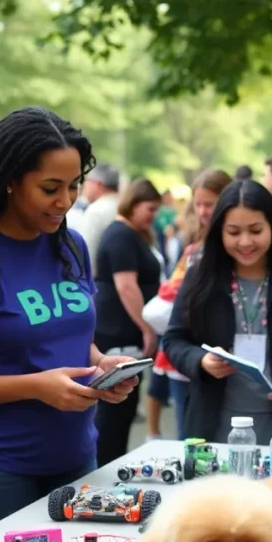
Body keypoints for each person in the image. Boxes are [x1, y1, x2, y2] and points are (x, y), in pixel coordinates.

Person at [0, 107, 139, 542]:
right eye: (50, 188)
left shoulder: (71, 247)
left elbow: (71, 339)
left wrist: (101, 366)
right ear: (10, 181)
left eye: (73, 186)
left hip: (76, 455)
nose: (66, 201)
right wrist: (36, 386)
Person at [162, 180, 272, 445]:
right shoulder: (200, 274)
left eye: (256, 230)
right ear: (219, 232)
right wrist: (201, 361)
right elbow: (173, 339)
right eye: (233, 232)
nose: (245, 242)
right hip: (214, 428)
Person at [146, 169, 233, 440]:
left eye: (211, 203)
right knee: (193, 443)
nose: (204, 211)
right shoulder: (194, 250)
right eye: (199, 204)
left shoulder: (239, 252)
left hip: (227, 363)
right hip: (189, 359)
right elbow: (171, 294)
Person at [92, 178, 163, 465]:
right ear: (133, 204)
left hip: (123, 331)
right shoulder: (121, 235)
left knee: (124, 406)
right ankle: (105, 466)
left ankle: (112, 461)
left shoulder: (131, 233)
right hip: (117, 332)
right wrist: (147, 327)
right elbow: (126, 286)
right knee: (114, 409)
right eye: (150, 208)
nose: (153, 216)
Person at [75, 163, 121, 274]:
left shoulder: (96, 211)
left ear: (97, 184)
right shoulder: (127, 207)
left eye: (86, 181)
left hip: (102, 284)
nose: (84, 185)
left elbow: (87, 255)